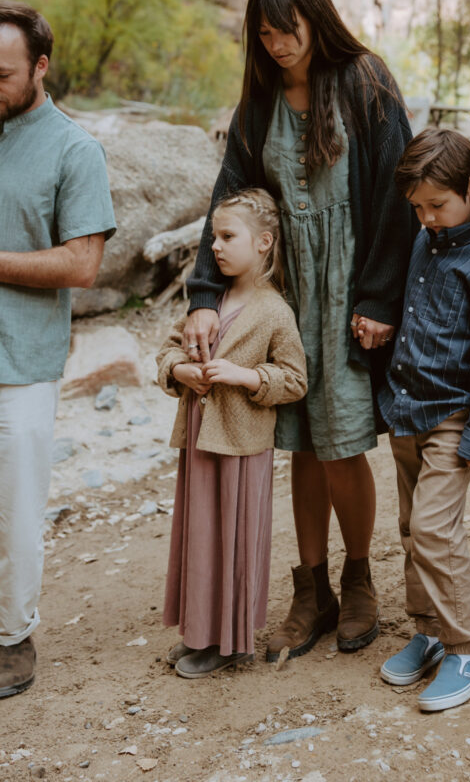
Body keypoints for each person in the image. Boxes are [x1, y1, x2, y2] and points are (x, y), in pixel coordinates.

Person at [183, 0, 415, 660]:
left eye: (289, 29)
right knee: (302, 448)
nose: (279, 44)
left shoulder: (365, 81)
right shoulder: (257, 104)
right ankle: (311, 589)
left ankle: (359, 578)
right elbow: (229, 204)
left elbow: (397, 194)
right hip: (284, 305)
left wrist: (379, 297)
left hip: (349, 299)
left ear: (315, 17)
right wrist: (202, 296)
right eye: (265, 32)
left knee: (342, 442)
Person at [377, 127, 470, 712]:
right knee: (413, 529)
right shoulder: (422, 242)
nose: (427, 217)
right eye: (418, 208)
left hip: (454, 417)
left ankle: (468, 648)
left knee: (436, 530)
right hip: (407, 411)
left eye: (438, 205)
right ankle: (430, 630)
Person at [0, 1, 116, 699]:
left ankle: (12, 639)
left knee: (15, 511)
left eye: (3, 73)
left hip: (21, 365)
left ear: (41, 68)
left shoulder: (76, 150)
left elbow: (81, 265)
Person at [157, 189, 307, 677]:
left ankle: (230, 640)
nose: (215, 247)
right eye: (213, 237)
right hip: (199, 436)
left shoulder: (274, 310)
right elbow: (168, 349)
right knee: (199, 535)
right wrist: (179, 371)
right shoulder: (208, 300)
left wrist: (246, 377)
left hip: (243, 444)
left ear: (264, 242)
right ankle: (200, 631)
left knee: (233, 539)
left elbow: (295, 379)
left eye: (227, 237)